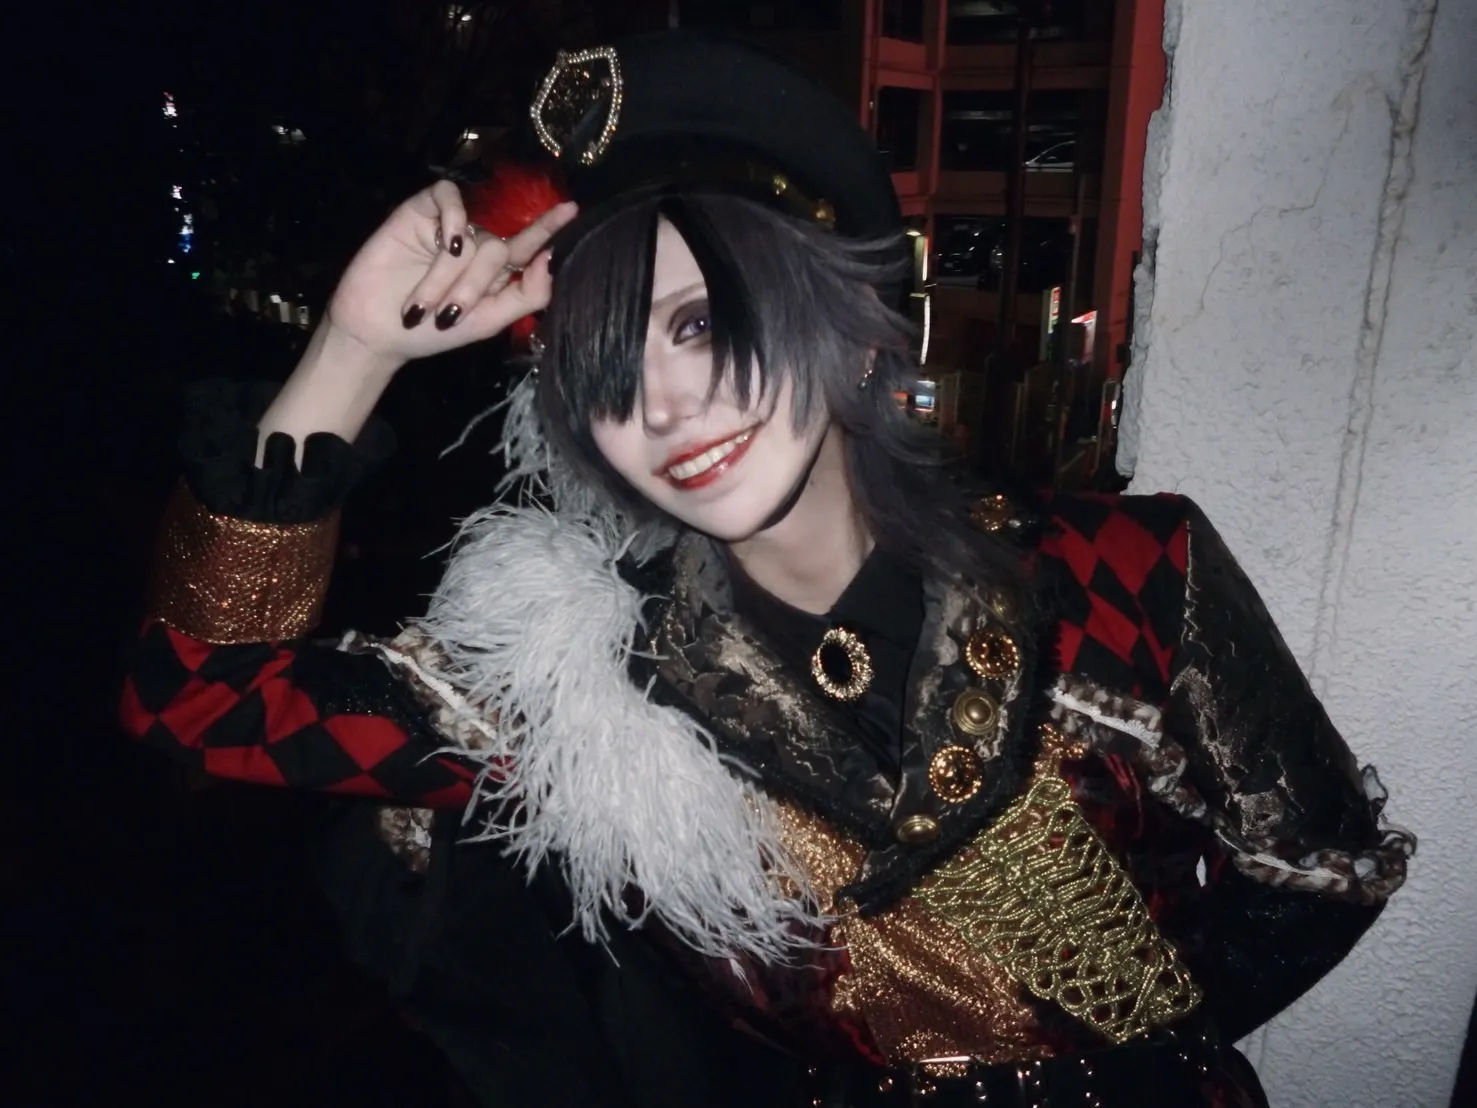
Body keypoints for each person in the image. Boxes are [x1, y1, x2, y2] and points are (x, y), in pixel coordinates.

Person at [121, 30, 1413, 1108]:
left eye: (700, 323)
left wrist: (1132, 1062)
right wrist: (353, 349)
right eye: (605, 373)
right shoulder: (583, 685)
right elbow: (199, 696)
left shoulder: (1126, 564)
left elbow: (1318, 868)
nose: (664, 406)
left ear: (850, 334)